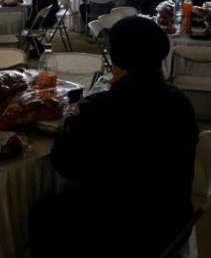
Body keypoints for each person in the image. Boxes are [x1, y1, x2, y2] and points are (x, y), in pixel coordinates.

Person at [30, 16, 198, 258]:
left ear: (115, 57)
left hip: (123, 231)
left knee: (43, 212)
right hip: (174, 222)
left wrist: (72, 119)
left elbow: (65, 165)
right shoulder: (180, 102)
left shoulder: (100, 108)